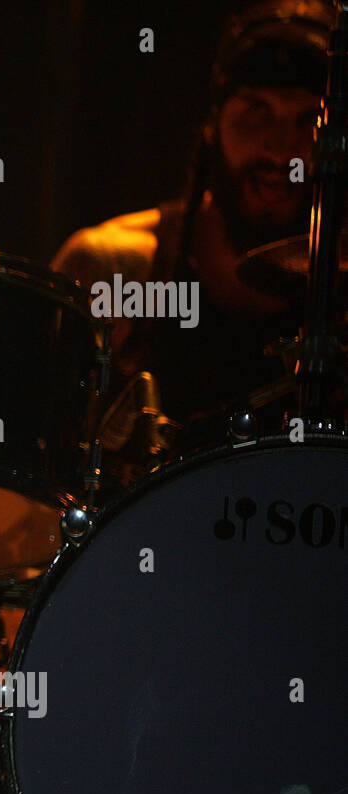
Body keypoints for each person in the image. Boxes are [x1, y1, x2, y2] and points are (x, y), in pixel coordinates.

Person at [52, 0, 334, 474]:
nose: (281, 146)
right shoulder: (112, 271)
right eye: (257, 112)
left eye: (308, 120)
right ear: (213, 123)